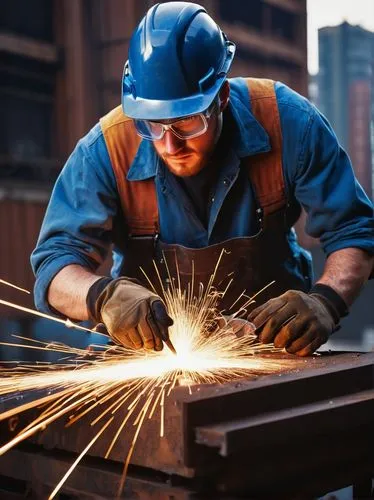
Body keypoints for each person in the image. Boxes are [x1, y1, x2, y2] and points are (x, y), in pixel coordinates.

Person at [31, 2, 374, 357]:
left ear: (221, 97)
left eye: (185, 123)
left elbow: (354, 230)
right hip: (149, 359)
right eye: (152, 125)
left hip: (271, 347)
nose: (169, 144)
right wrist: (102, 296)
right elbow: (54, 266)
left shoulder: (287, 122)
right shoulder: (106, 150)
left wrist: (326, 300)